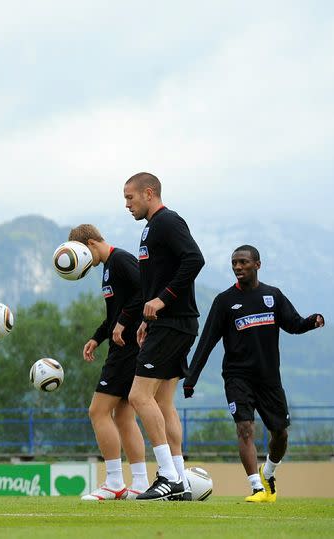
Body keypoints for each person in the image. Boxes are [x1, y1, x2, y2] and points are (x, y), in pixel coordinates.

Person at [184, 245, 324, 502]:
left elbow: (293, 324)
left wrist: (311, 321)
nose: (238, 267)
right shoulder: (224, 301)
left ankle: (268, 472)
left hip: (269, 379)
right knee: (245, 428)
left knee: (280, 434)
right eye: (234, 263)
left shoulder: (273, 296)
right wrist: (191, 379)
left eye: (243, 262)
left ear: (257, 265)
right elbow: (207, 341)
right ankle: (256, 488)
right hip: (237, 377)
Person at [123, 172, 205, 501]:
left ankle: (167, 476)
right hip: (167, 323)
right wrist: (147, 316)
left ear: (149, 192)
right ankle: (182, 481)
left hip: (175, 322)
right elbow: (157, 277)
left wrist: (164, 299)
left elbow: (194, 259)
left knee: (138, 397)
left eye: (130, 197)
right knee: (162, 402)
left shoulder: (168, 221)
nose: (127, 204)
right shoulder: (150, 228)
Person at [67, 225, 149, 501]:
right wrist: (97, 337)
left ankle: (114, 481)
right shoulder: (107, 268)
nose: (83, 263)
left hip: (126, 348)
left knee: (97, 411)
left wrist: (124, 323)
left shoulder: (121, 260)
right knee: (124, 416)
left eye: (82, 255)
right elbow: (114, 313)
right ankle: (139, 482)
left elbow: (143, 292)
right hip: (123, 345)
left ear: (91, 244)